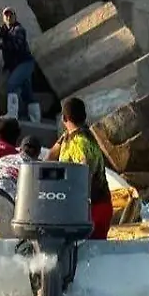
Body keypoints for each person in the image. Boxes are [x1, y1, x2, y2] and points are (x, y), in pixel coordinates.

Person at [47, 97, 112, 240]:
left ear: (64, 118)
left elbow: (84, 174)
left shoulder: (80, 142)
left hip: (91, 209)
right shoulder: (70, 136)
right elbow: (50, 157)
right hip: (101, 206)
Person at [0, 6, 39, 122]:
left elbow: (15, 46)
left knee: (11, 85)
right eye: (6, 15)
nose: (8, 17)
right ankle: (36, 118)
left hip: (25, 63)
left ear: (15, 16)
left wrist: (0, 45)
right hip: (17, 65)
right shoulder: (3, 29)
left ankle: (12, 115)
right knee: (27, 92)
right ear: (3, 18)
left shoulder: (19, 29)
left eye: (11, 15)